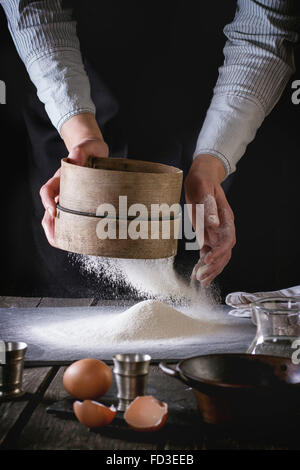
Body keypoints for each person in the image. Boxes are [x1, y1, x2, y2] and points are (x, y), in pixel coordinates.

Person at [1, 0, 299, 295]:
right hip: (73, 102)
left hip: (211, 111)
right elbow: (33, 7)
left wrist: (210, 164)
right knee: (72, 301)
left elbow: (263, 31)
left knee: (211, 307)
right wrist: (81, 136)